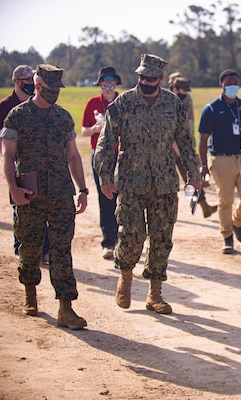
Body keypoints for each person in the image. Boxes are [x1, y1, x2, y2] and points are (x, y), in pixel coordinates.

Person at [94, 54, 202, 315]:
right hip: (131, 183)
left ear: (161, 79)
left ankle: (154, 293)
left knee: (162, 238)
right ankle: (126, 277)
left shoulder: (172, 104)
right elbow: (106, 143)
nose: (145, 81)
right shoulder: (123, 103)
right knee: (131, 234)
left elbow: (186, 141)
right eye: (142, 76)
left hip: (164, 182)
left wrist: (194, 174)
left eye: (151, 78)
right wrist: (105, 177)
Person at [1, 64, 88, 329]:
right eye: (50, 90)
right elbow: (6, 156)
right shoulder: (17, 116)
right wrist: (14, 189)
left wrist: (83, 189)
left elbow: (73, 156)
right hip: (31, 194)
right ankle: (30, 292)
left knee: (62, 249)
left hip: (61, 193)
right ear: (38, 86)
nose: (55, 95)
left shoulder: (63, 118)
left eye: (57, 90)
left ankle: (66, 307)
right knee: (30, 247)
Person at [0, 65, 50, 262]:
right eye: (27, 80)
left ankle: (44, 249)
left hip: (38, 163)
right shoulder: (5, 106)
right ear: (17, 82)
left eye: (33, 80)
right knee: (20, 205)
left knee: (43, 206)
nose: (31, 84)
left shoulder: (38, 104)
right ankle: (20, 246)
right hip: (16, 163)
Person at [199, 69, 241, 254]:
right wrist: (204, 165)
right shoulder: (211, 109)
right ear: (222, 85)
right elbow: (203, 138)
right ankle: (227, 237)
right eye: (228, 84)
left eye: (235, 83)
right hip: (221, 159)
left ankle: (238, 222)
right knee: (225, 199)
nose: (232, 87)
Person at [81, 66, 121, 260]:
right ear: (100, 83)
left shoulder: (124, 101)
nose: (108, 83)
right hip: (100, 156)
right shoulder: (92, 103)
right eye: (104, 80)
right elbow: (83, 131)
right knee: (105, 198)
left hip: (122, 156)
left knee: (122, 198)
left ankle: (122, 237)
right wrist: (96, 128)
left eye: (111, 79)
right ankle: (108, 242)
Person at [169, 75, 217, 218]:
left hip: (184, 146)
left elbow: (189, 122)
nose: (186, 93)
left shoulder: (186, 99)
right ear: (175, 89)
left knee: (192, 177)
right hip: (170, 148)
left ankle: (203, 205)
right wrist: (175, 145)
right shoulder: (167, 101)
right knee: (168, 180)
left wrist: (189, 144)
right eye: (183, 91)